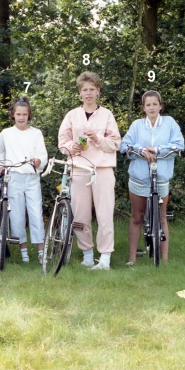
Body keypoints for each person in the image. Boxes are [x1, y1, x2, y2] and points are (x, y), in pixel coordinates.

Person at [58, 71, 121, 270]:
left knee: (104, 214)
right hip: (79, 168)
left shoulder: (107, 115)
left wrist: (97, 138)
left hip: (102, 169)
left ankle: (105, 259)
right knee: (80, 215)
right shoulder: (72, 115)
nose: (88, 93)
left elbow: (115, 143)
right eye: (85, 90)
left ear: (98, 91)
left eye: (92, 89)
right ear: (80, 93)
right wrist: (71, 147)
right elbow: (62, 142)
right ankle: (86, 255)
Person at [120, 90, 184, 264]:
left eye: (155, 104)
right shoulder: (137, 125)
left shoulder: (170, 123)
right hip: (139, 178)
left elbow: (179, 145)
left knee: (162, 218)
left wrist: (156, 150)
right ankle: (132, 258)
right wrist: (140, 150)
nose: (152, 107)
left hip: (161, 178)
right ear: (143, 108)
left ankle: (164, 260)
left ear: (160, 106)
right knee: (136, 217)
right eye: (148, 105)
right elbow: (124, 145)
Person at [0, 98, 48, 264]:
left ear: (29, 115)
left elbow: (43, 154)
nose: (21, 117)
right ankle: (23, 250)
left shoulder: (36, 133)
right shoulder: (6, 134)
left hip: (31, 178)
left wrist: (39, 161)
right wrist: (2, 166)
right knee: (16, 216)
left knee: (36, 214)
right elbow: (0, 153)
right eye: (18, 114)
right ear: (13, 115)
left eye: (24, 114)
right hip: (14, 177)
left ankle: (41, 251)